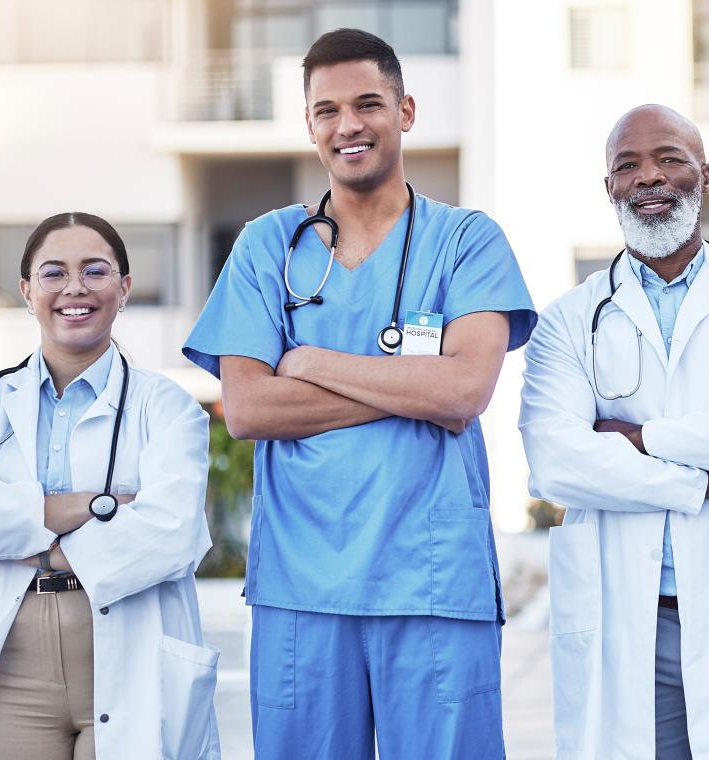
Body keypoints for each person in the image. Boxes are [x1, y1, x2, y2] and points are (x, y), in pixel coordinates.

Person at [183, 29, 535, 760]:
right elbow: (248, 409)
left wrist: (307, 360)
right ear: (309, 125)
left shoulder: (468, 241)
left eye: (368, 103)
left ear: (406, 110)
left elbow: (467, 389)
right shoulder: (267, 246)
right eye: (327, 110)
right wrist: (416, 388)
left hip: (432, 580)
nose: (348, 125)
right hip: (301, 586)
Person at [519, 104, 709, 759]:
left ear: (705, 176)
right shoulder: (570, 321)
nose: (648, 177)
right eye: (627, 166)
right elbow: (556, 459)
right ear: (610, 189)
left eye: (669, 159)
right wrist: (699, 483)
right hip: (626, 613)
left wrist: (642, 438)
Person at [0, 213, 218, 759]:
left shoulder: (168, 407)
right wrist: (96, 506)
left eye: (96, 271)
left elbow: (172, 532)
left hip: (130, 651)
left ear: (124, 288)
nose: (74, 288)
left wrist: (41, 545)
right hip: (8, 670)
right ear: (26, 290)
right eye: (54, 272)